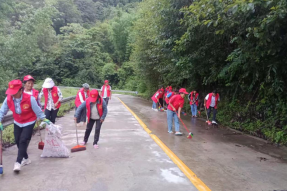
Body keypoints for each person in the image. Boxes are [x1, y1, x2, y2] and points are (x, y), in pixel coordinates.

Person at [0, 80, 50, 172]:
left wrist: (44, 118)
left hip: (29, 121)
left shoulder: (30, 98)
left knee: (23, 140)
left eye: (14, 92)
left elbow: (37, 110)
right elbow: (2, 111)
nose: (12, 95)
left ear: (21, 90)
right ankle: (26, 158)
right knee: (18, 141)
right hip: (17, 121)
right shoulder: (8, 98)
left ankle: (18, 162)